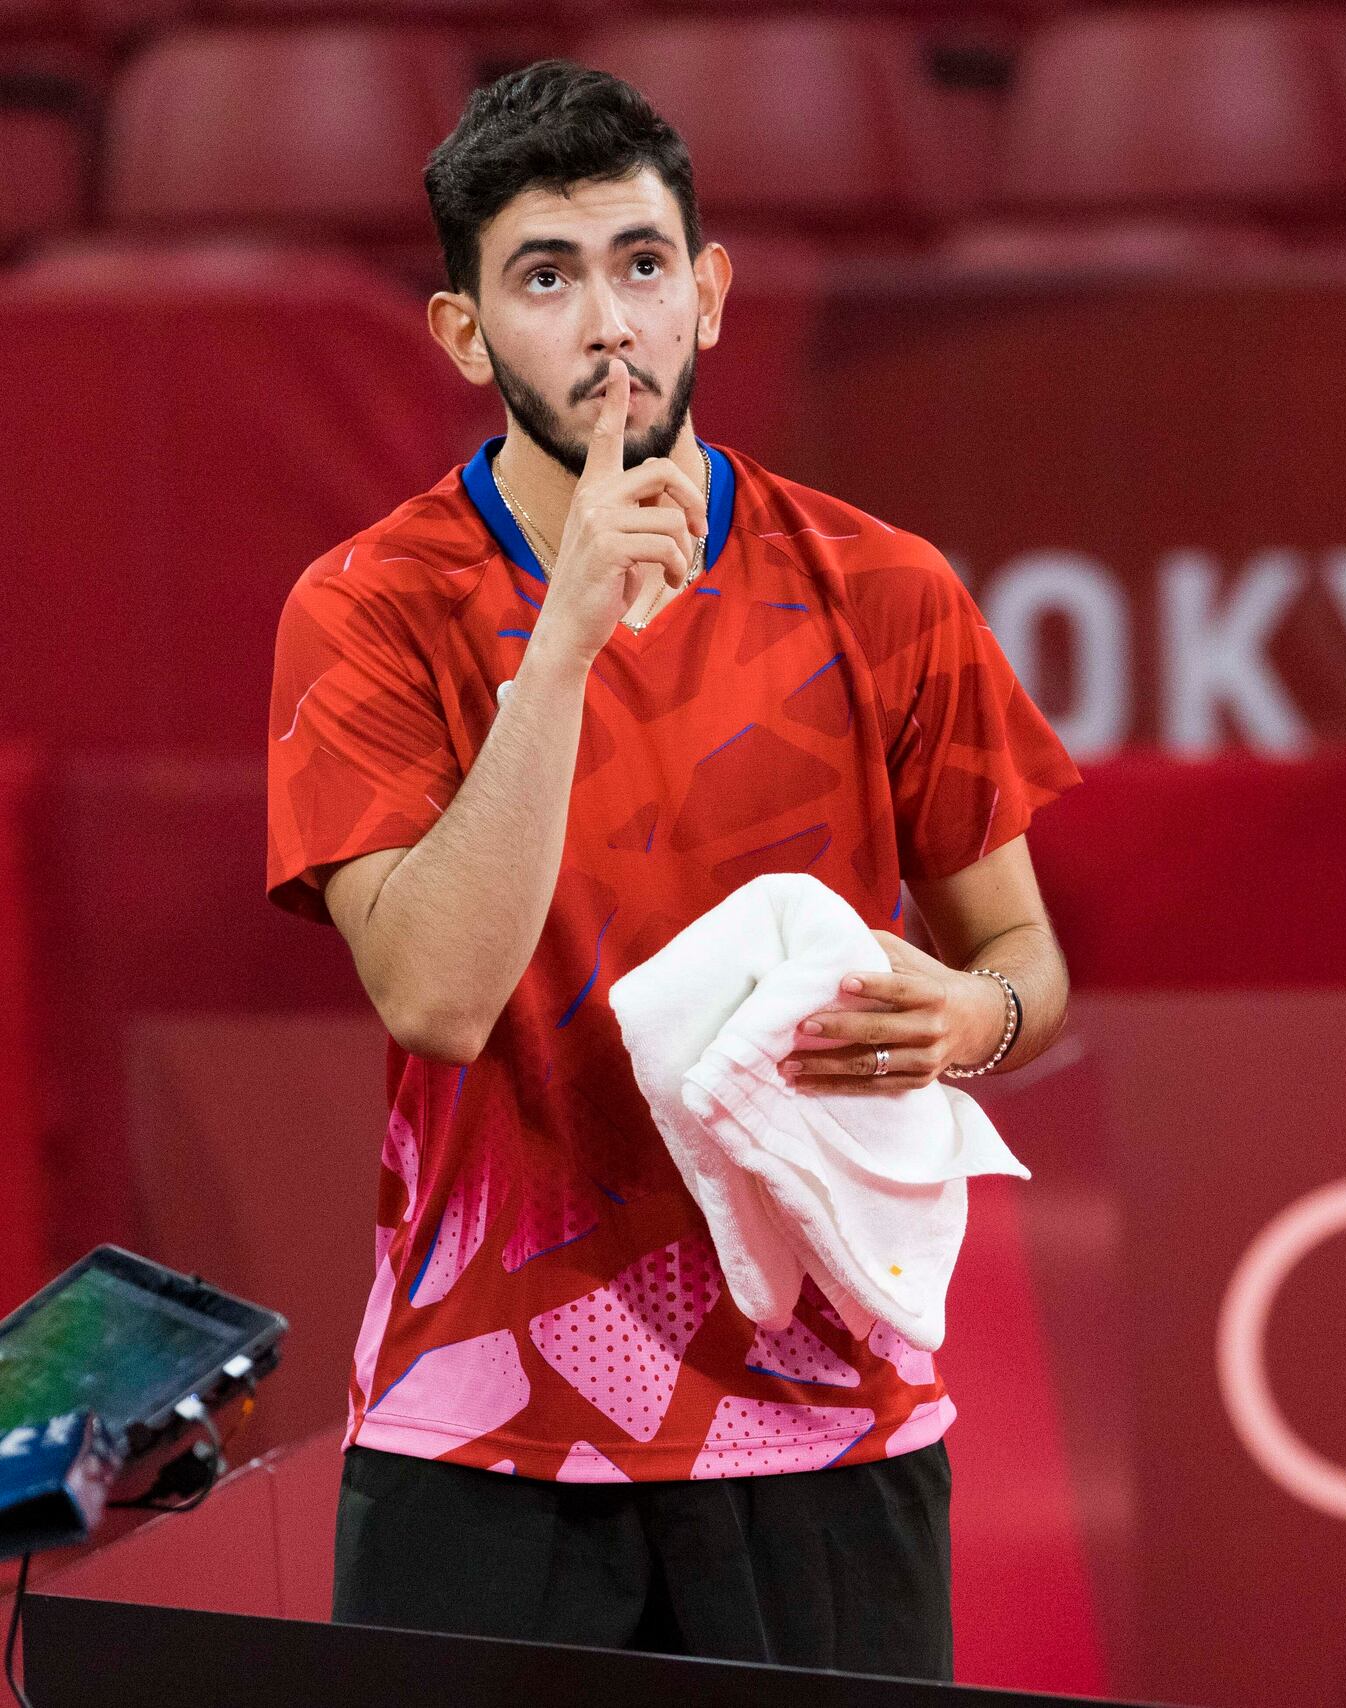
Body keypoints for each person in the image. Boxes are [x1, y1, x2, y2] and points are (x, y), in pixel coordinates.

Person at [263, 60, 1080, 1677]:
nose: (609, 322)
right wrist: (560, 640)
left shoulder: (884, 589)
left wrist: (968, 1024)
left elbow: (1026, 966)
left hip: (826, 1429)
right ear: (467, 334)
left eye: (641, 265)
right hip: (482, 1444)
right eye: (546, 279)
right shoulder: (369, 611)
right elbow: (435, 994)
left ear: (707, 291)